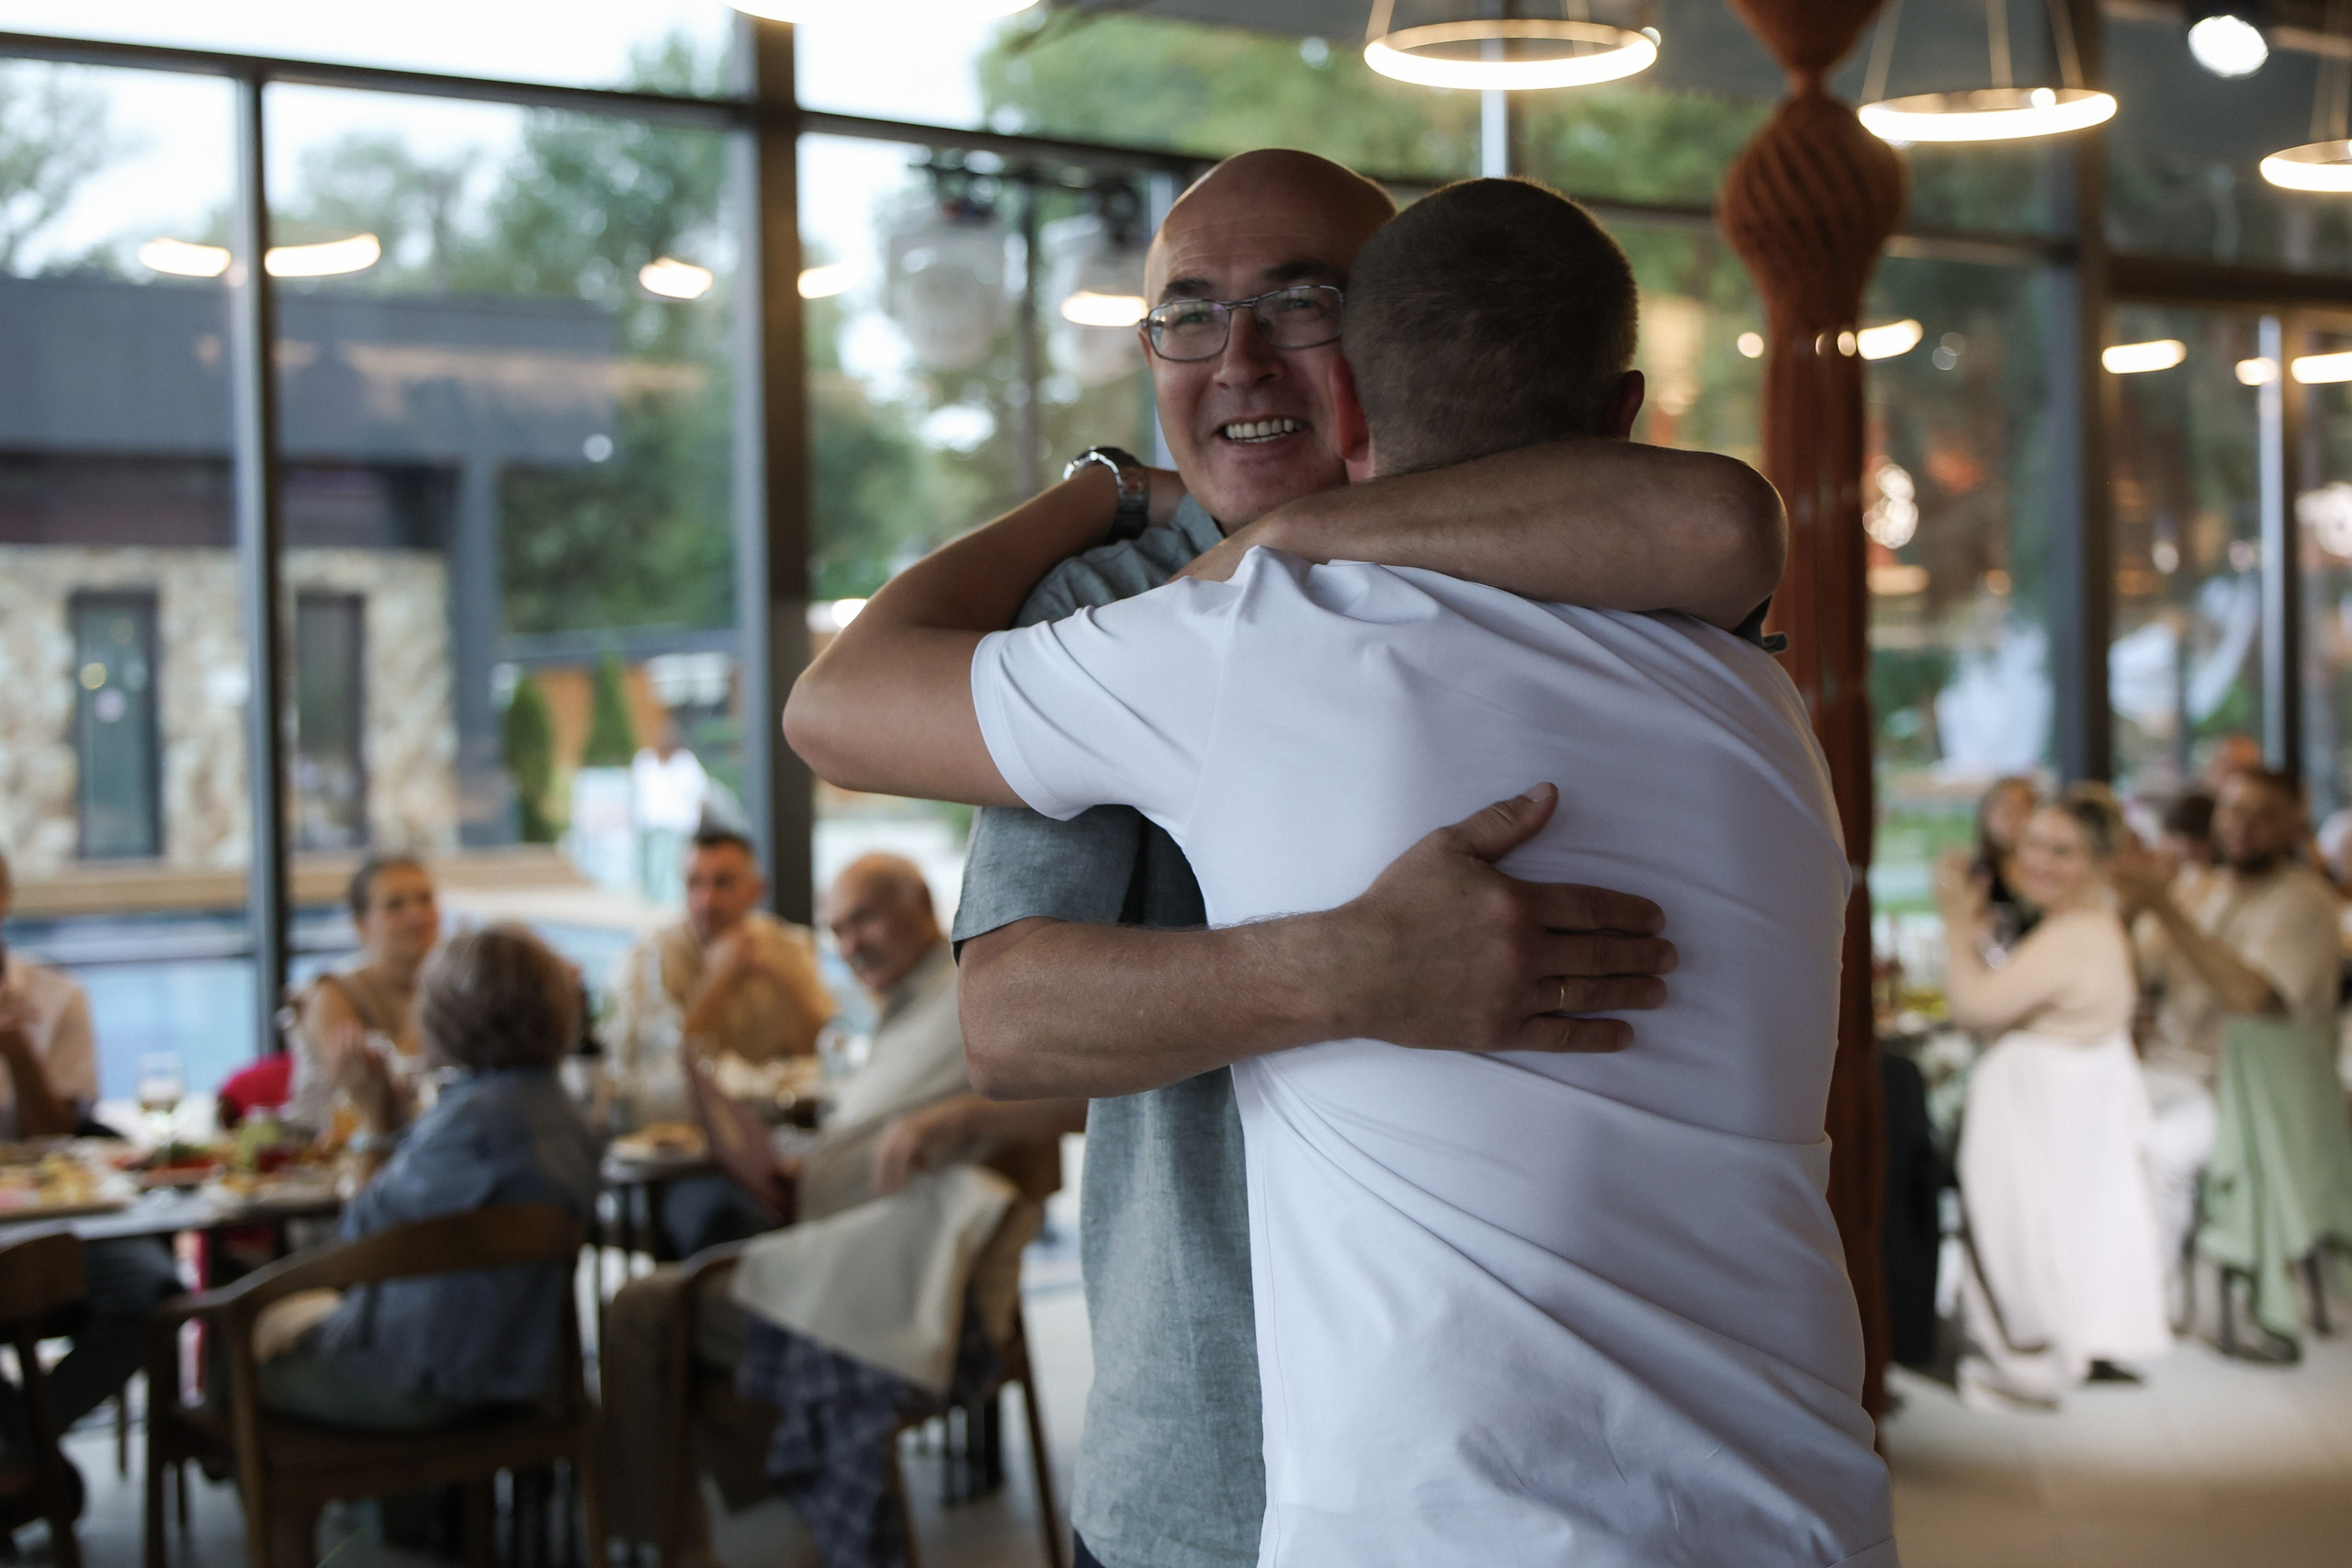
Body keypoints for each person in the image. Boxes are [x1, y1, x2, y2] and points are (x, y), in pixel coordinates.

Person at [787, 176, 1894, 1565]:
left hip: (1460, 1504)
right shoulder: (1131, 601)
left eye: (1298, 304)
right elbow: (1006, 1023)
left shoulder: (1294, 619)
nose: (1240, 357)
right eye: (1188, 316)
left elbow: (1726, 520)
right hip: (1228, 1472)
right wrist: (1349, 966)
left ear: (1370, 364)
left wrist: (1271, 550)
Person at [599, 855, 1083, 1562]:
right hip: (859, 1246)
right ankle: (726, 1518)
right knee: (669, 1294)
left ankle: (654, 1544)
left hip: (901, 1279)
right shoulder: (913, 1000)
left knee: (643, 1310)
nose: (851, 944)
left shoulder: (977, 995)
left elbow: (1095, 1098)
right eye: (837, 929)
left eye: (866, 918)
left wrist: (952, 1118)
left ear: (922, 902)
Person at [249, 923, 600, 1564]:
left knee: (234, 1350)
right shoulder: (568, 1114)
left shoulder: (468, 1123)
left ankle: (301, 1531)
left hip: (427, 1380)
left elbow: (358, 1244)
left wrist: (377, 1119)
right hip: (527, 1369)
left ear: (450, 1016)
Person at [1936, 794, 2170, 1410]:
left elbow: (1973, 1007)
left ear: (2096, 860)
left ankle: (2030, 1354)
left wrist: (1955, 923)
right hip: (2060, 1107)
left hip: (2039, 1110)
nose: (2038, 860)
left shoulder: (2076, 933)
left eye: (2061, 850)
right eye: (2032, 843)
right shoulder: (2087, 925)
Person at [0, 850, 182, 1531]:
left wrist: (19, 1055)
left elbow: (62, 1136)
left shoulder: (54, 997)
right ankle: (32, 1457)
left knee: (151, 1292)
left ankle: (21, 1449)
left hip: (56, 1205)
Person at [2114, 768, 2344, 1260]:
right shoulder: (2199, 887)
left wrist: (2165, 907)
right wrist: (2129, 906)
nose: (2244, 825)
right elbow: (2136, 973)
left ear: (2293, 827)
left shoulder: (2306, 900)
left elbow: (2249, 998)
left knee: (2161, 1148)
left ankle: (2154, 1296)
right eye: (2236, 809)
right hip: (2167, 1070)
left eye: (2266, 815)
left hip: (2250, 1092)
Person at [606, 827, 836, 1257]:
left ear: (758, 889)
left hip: (777, 1148)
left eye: (723, 883)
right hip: (686, 1165)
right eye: (695, 883)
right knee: (731, 1222)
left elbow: (823, 1048)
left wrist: (780, 976)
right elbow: (660, 1070)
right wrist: (718, 980)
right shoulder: (652, 959)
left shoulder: (787, 946)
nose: (707, 900)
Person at [287, 854, 440, 1136]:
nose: (417, 915)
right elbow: (357, 1103)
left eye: (425, 899)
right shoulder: (335, 992)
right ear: (361, 924)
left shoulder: (454, 985)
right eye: (395, 905)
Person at [633, 719, 709, 907]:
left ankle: (671, 902)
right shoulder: (645, 760)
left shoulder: (685, 763)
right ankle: (653, 899)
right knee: (651, 864)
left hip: (677, 824)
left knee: (672, 865)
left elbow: (700, 793)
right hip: (650, 822)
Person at [1972, 775, 2040, 948]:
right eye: (2002, 806)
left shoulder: (2050, 869)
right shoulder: (1976, 872)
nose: (2010, 816)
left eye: (2020, 807)